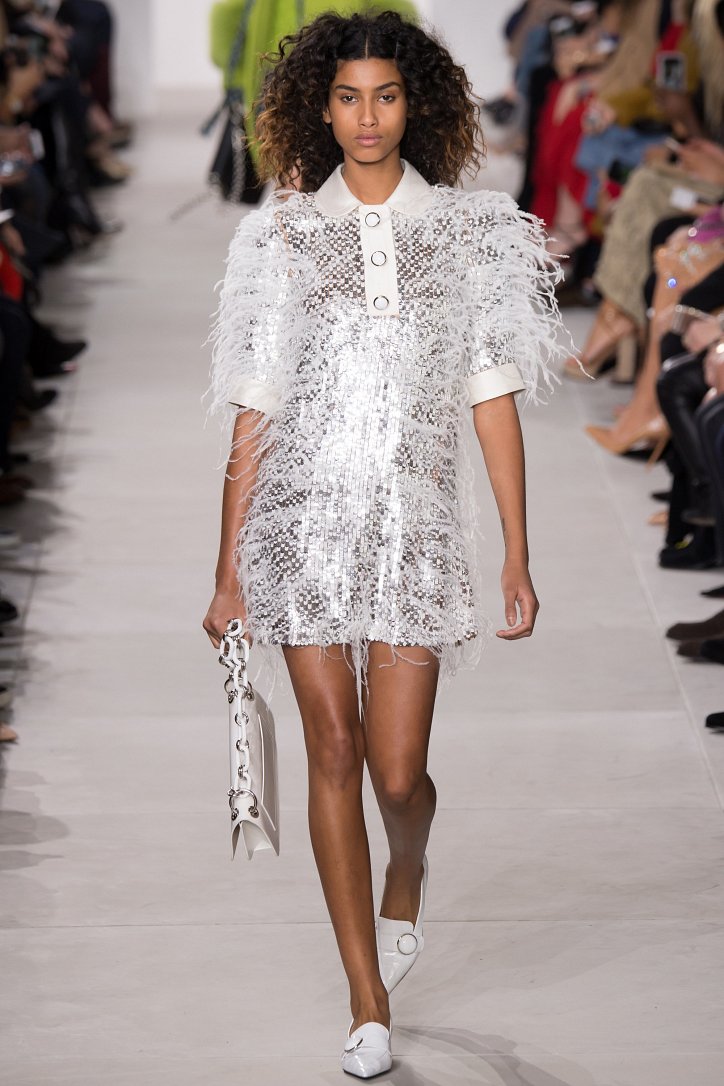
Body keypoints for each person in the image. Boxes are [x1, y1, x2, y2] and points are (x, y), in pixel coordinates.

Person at [203, 10, 566, 1078]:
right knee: (333, 750)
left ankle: (408, 869)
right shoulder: (278, 238)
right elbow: (255, 407)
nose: (368, 117)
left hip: (414, 531)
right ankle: (366, 999)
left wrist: (515, 552)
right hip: (301, 528)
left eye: (388, 96)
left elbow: (491, 398)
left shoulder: (468, 235)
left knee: (399, 773)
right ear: (321, 109)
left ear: (418, 107)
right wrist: (227, 570)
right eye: (349, 97)